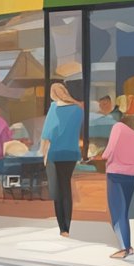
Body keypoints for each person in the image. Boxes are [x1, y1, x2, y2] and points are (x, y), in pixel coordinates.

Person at [42, 81, 85, 237]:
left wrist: (43, 153)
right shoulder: (78, 110)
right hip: (71, 154)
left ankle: (62, 228)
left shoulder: (54, 108)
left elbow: (47, 134)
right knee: (66, 188)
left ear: (54, 94)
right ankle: (68, 225)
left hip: (55, 153)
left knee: (57, 191)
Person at [100, 114, 134, 259]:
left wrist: (102, 155)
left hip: (116, 173)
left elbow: (110, 149)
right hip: (133, 175)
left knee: (117, 212)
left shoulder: (118, 127)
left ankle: (123, 248)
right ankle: (128, 246)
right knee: (124, 211)